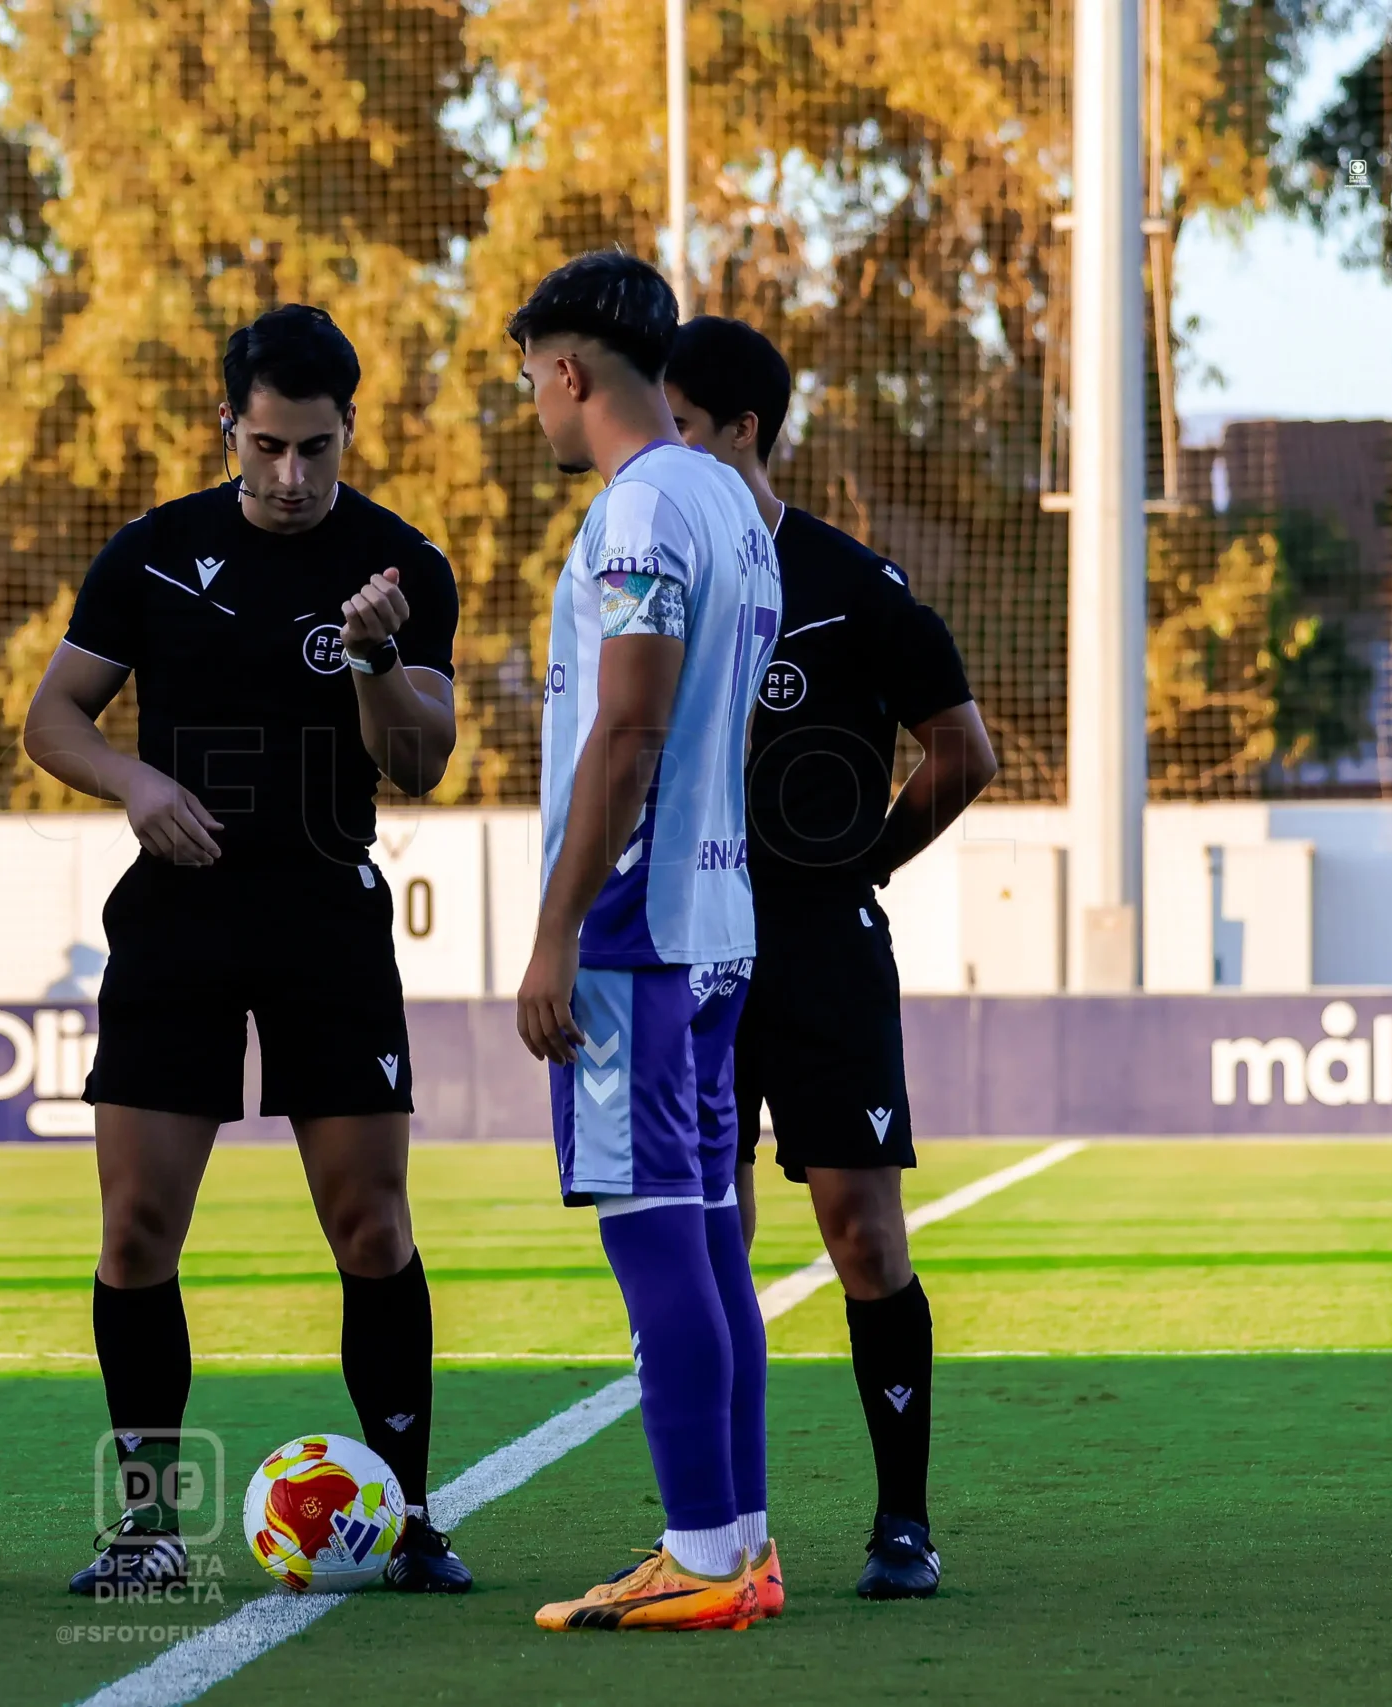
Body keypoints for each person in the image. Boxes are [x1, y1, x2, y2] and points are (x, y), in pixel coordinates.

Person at [22, 304, 472, 1595]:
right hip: (179, 922)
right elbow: (51, 714)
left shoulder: (400, 564)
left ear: (349, 433)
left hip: (329, 918)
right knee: (136, 1231)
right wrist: (132, 781)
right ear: (229, 425)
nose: (290, 478)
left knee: (371, 1225)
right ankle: (150, 1526)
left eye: (316, 450)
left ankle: (408, 1513)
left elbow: (422, 759)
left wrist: (378, 653)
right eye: (267, 446)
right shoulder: (155, 551)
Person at [664, 314, 998, 1599]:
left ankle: (900, 1526)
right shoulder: (649, 578)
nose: (665, 456)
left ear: (742, 431)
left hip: (816, 954)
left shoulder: (858, 586)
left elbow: (963, 751)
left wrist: (861, 859)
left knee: (861, 1235)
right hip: (689, 950)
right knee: (710, 1240)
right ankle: (724, 1529)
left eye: (682, 428)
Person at [509, 253, 782, 1634]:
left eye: (529, 384)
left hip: (635, 925)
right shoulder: (731, 498)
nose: (533, 412)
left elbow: (628, 724)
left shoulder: (638, 510)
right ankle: (741, 1534)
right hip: (716, 917)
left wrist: (555, 933)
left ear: (570, 371)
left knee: (655, 1231)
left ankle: (699, 1551)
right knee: (715, 1229)